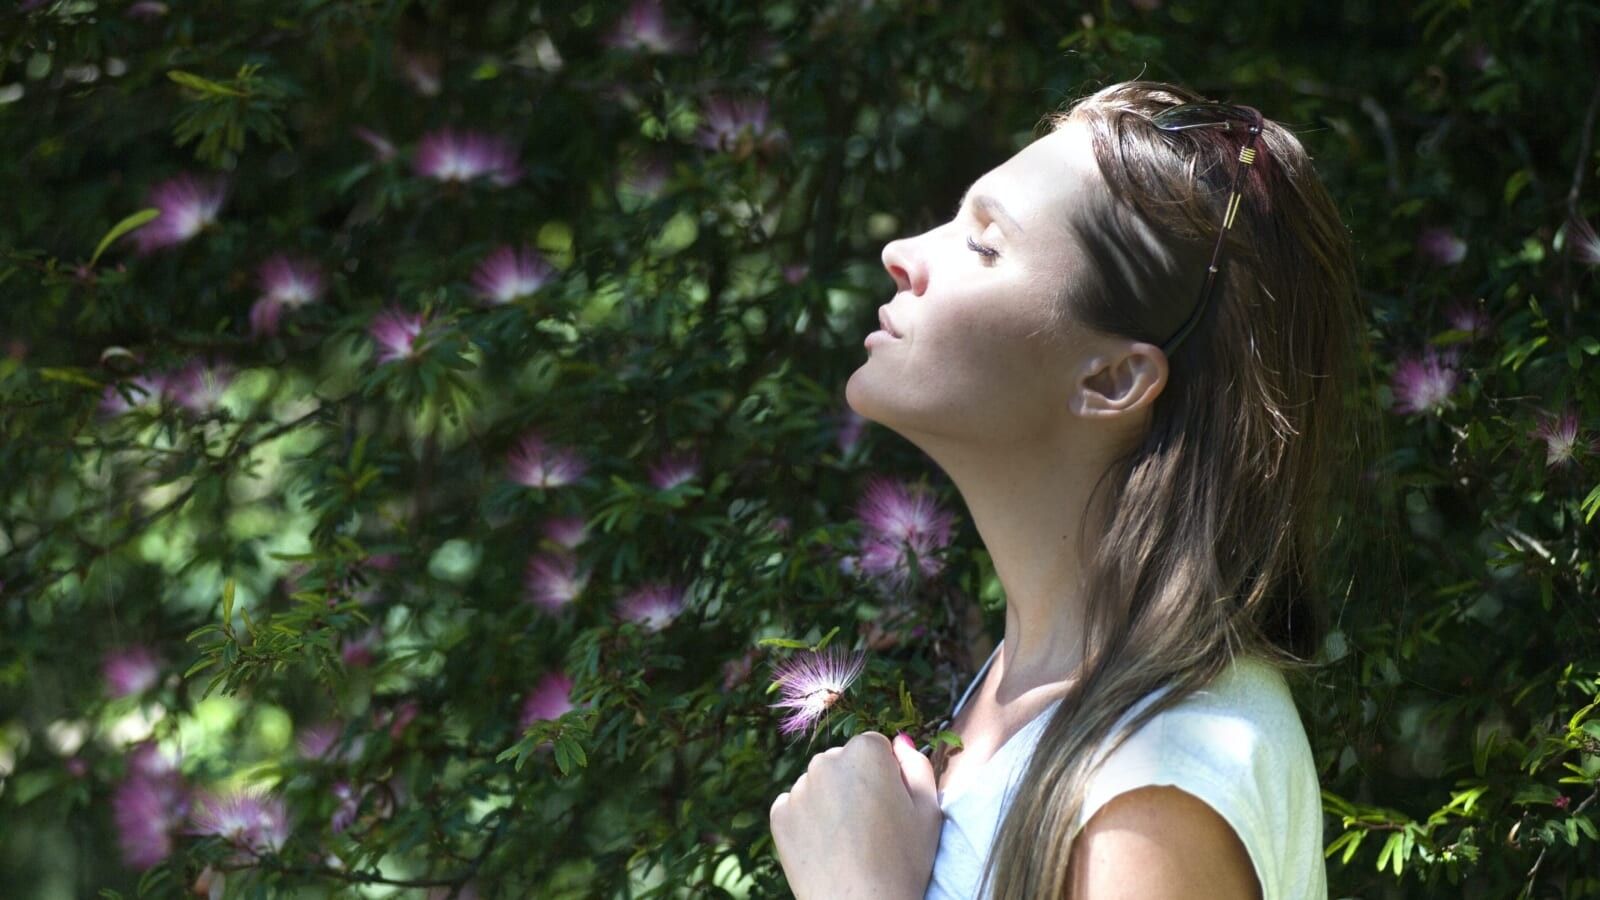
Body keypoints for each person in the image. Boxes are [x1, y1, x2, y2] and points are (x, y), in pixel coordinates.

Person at [769, 79, 1365, 899]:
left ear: (1115, 378)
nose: (903, 253)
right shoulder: (1030, 691)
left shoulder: (1156, 788)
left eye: (984, 244)